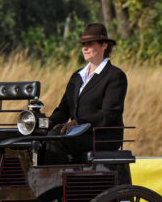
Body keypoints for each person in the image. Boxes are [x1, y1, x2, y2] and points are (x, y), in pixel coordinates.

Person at [45, 23, 128, 161]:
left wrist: (77, 123)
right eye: (83, 44)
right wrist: (49, 122)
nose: (84, 48)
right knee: (38, 139)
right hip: (77, 134)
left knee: (54, 139)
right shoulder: (77, 76)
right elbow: (63, 110)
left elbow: (108, 114)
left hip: (101, 137)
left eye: (90, 44)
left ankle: (54, 181)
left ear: (104, 46)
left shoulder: (115, 76)